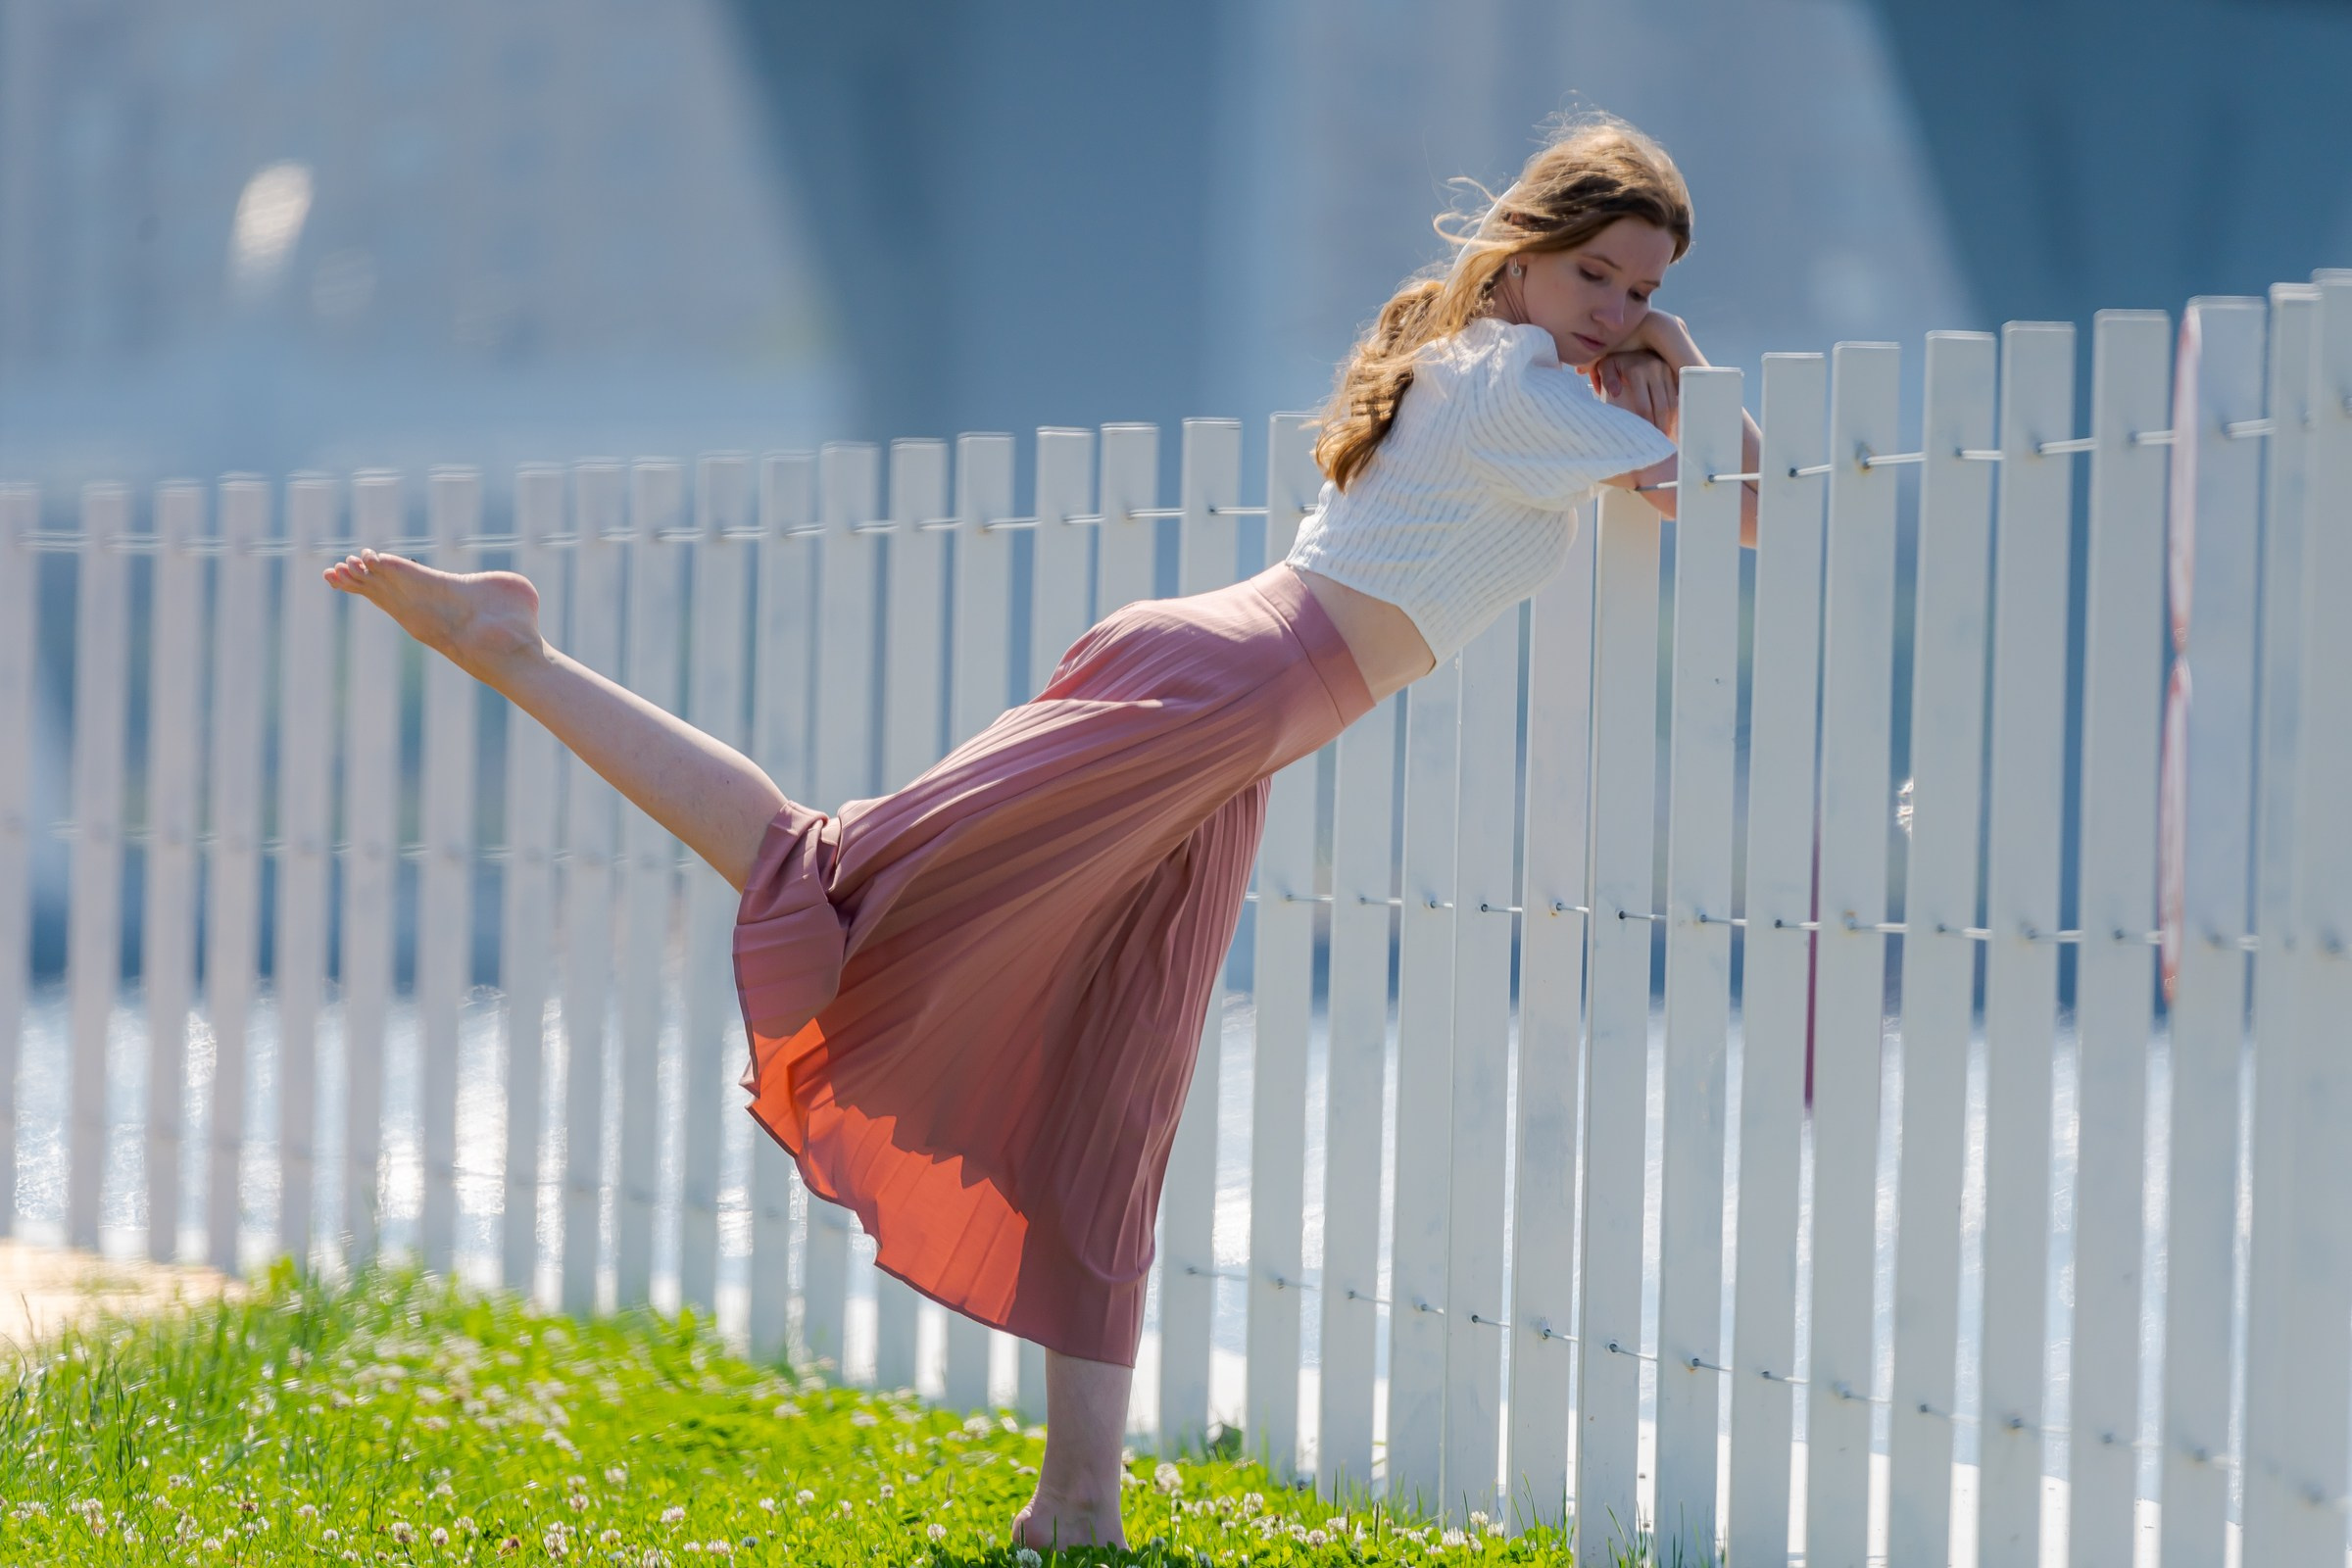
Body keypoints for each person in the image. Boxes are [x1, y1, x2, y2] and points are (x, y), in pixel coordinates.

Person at [323, 111, 1757, 1549]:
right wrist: (1680, 369)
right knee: (827, 876)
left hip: (1228, 727)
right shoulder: (1511, 378)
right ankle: (512, 647)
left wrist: (1639, 367)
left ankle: (1076, 1506)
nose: (1621, 316)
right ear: (1520, 262)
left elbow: (1686, 488)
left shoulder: (1496, 366)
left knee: (1112, 1104)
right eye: (1601, 283)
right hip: (1214, 698)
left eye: (1643, 292)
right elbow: (1745, 497)